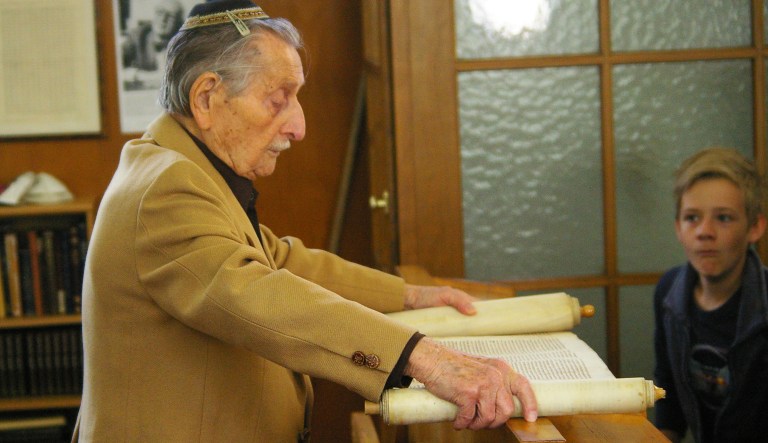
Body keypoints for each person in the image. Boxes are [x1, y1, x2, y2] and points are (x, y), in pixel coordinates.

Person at [73, 1, 538, 441]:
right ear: (207, 97)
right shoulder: (166, 188)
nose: (298, 126)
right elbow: (257, 292)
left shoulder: (181, 165)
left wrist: (411, 296)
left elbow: (282, 262)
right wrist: (430, 361)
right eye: (279, 100)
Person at [653, 147, 768, 443]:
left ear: (755, 226)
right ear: (678, 228)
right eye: (692, 217)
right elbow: (669, 391)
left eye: (724, 218)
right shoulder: (669, 292)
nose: (705, 231)